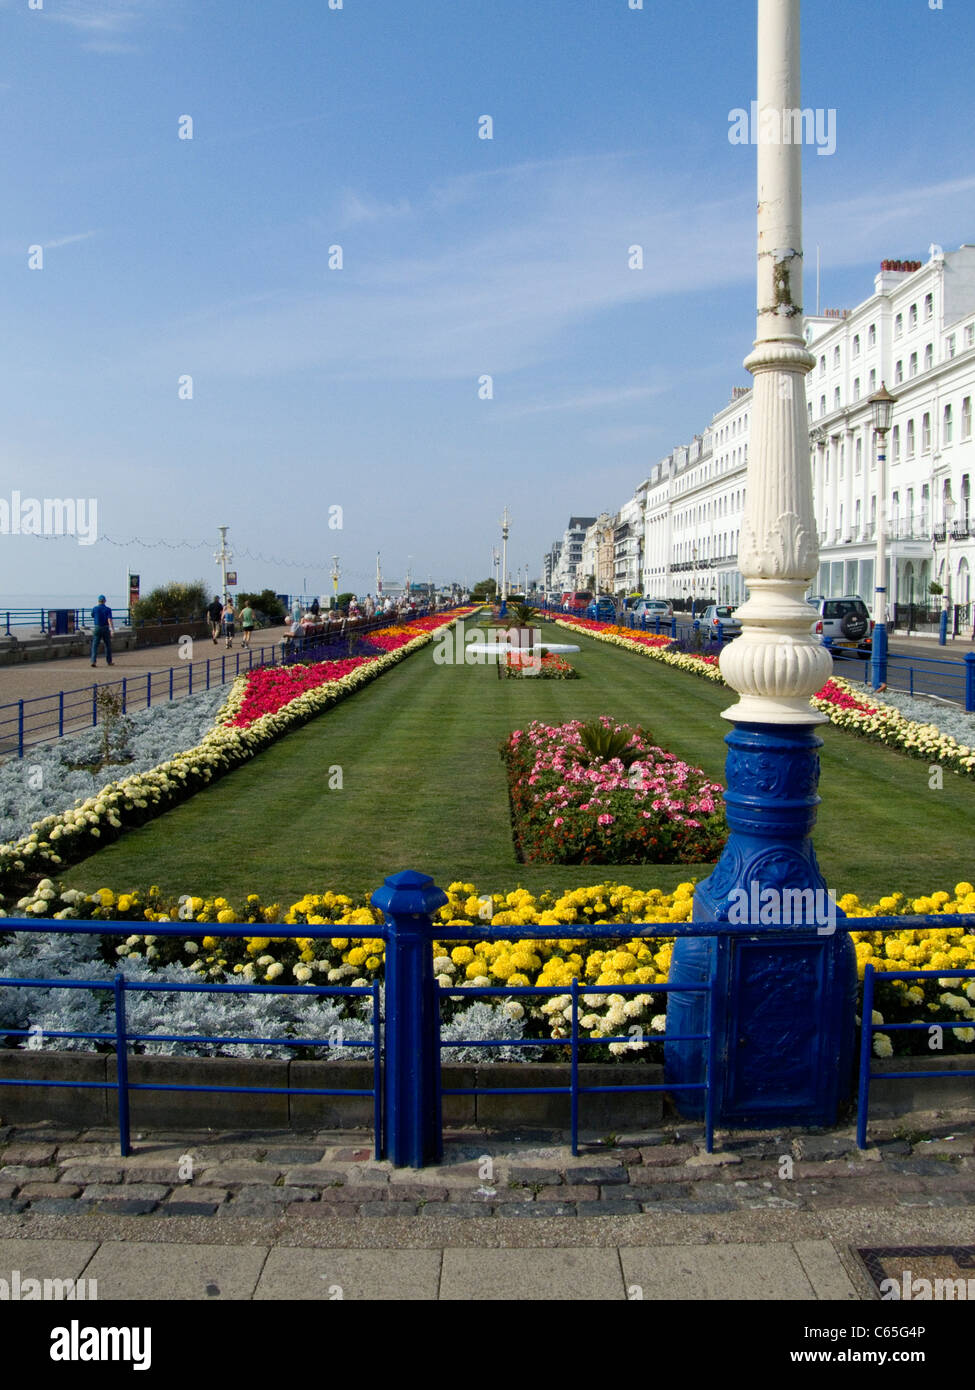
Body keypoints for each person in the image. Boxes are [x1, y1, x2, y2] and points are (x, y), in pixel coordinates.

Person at [90, 594, 114, 667]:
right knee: (107, 645)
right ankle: (109, 661)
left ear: (98, 601)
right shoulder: (108, 609)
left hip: (97, 627)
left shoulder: (95, 608)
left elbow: (92, 615)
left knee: (95, 645)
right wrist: (112, 629)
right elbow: (109, 620)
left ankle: (93, 661)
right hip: (105, 628)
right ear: (105, 601)